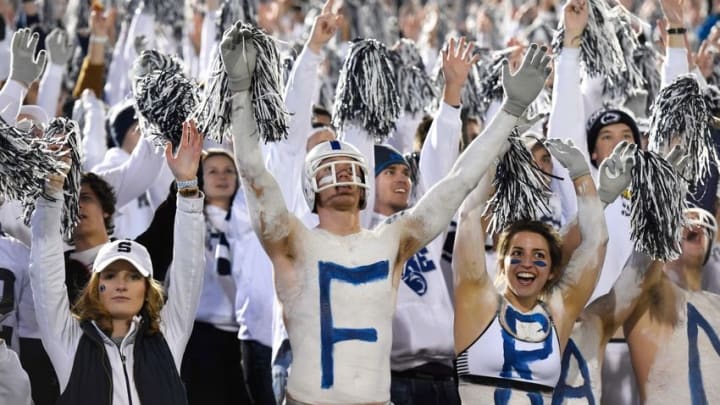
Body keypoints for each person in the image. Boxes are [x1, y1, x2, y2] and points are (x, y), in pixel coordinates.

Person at [221, 14, 551, 403]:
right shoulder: (293, 241)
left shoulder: (391, 240)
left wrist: (510, 110)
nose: (342, 174)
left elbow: (458, 180)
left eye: (349, 168)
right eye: (329, 170)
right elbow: (255, 173)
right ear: (310, 187)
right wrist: (240, 92)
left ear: (364, 185)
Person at [29, 121, 205, 405]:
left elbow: (190, 268)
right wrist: (51, 191)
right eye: (110, 276)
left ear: (148, 289)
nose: (121, 284)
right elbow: (43, 266)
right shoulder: (69, 342)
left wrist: (187, 187)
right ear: (95, 286)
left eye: (134, 276)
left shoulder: (169, 337)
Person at [452, 137, 609, 403]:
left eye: (539, 256)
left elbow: (597, 242)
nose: (527, 263)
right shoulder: (478, 304)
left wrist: (582, 176)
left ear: (551, 271)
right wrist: (495, 152)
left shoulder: (558, 314)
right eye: (517, 254)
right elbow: (470, 214)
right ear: (502, 263)